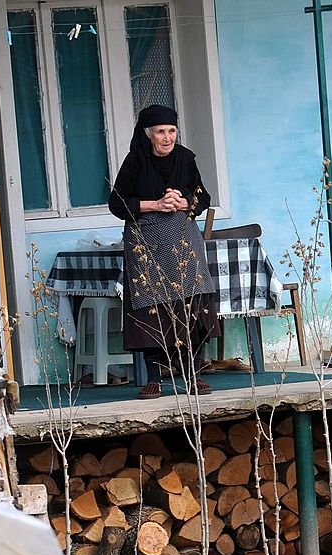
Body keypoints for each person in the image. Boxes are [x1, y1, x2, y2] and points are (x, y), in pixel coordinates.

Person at [109, 105, 220, 400]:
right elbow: (117, 203)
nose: (167, 137)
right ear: (148, 135)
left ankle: (193, 375)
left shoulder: (186, 159)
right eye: (161, 131)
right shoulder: (135, 161)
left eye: (171, 131)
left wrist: (181, 202)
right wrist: (156, 204)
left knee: (192, 305)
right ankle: (154, 379)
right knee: (151, 309)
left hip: (182, 240)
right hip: (147, 241)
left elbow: (202, 196)